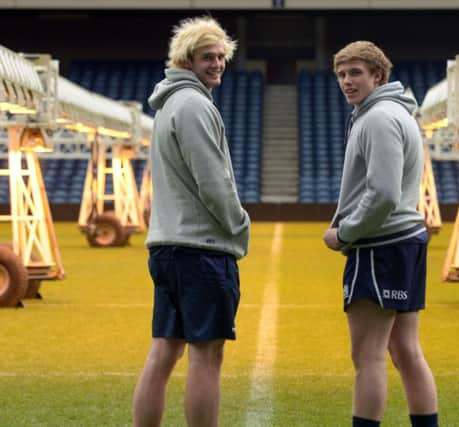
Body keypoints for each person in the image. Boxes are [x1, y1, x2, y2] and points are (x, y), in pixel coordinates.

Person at [133, 16, 250, 427]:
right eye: (208, 56)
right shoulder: (196, 105)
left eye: (221, 56)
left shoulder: (167, 105)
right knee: (206, 355)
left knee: (164, 351)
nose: (217, 64)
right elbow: (214, 182)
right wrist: (239, 225)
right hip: (200, 249)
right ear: (186, 58)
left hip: (166, 246)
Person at [323, 41, 438, 427]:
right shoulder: (395, 113)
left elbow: (384, 194)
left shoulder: (377, 118)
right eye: (341, 74)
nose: (346, 81)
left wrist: (345, 233)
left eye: (355, 72)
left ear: (378, 75)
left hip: (381, 245)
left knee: (367, 355)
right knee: (406, 350)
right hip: (404, 241)